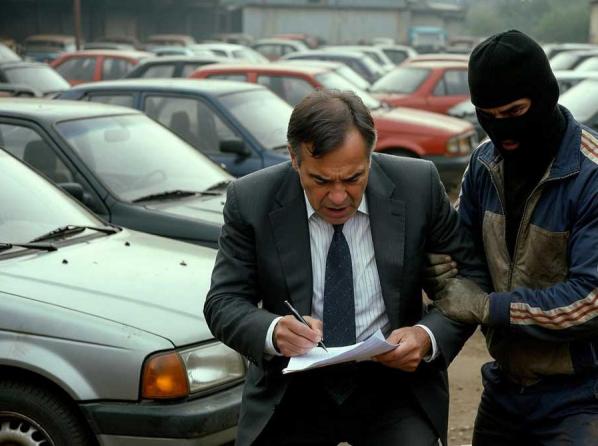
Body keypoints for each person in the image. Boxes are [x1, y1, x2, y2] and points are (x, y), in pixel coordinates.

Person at [204, 89, 490, 446]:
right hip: (293, 389)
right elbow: (223, 301)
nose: (338, 197)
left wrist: (426, 336)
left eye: (354, 178)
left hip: (394, 385)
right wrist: (273, 331)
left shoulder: (417, 185)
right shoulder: (251, 200)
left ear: (371, 156)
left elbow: (470, 277)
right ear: (294, 159)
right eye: (321, 181)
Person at [425, 29, 598, 445]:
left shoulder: (591, 175)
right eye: (487, 114)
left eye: (515, 110)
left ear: (545, 95)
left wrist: (489, 307)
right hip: (505, 388)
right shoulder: (484, 165)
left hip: (583, 396)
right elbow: (462, 259)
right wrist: (438, 273)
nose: (503, 127)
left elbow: (590, 300)